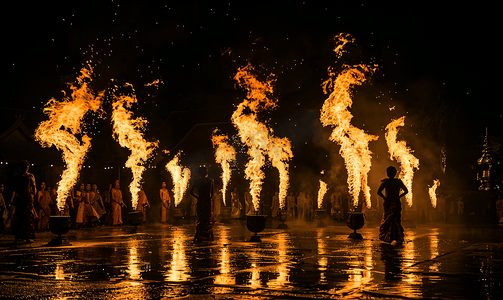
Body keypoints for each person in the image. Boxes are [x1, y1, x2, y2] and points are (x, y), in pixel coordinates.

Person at [377, 166, 408, 246]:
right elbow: (406, 191)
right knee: (396, 220)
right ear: (394, 173)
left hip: (389, 202)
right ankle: (397, 237)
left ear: (387, 173)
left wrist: (385, 198)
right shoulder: (398, 182)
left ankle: (389, 237)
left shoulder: (386, 182)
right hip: (395, 202)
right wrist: (398, 197)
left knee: (389, 220)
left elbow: (378, 192)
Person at [11, 160, 37, 244]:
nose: (26, 169)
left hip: (28, 199)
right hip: (20, 200)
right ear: (21, 167)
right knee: (18, 219)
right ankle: (17, 237)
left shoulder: (30, 176)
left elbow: (34, 189)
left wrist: (33, 196)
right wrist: (13, 199)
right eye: (24, 167)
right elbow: (14, 189)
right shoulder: (17, 177)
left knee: (28, 219)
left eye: (27, 167)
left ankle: (27, 237)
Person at [190, 166, 215, 242]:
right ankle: (208, 237)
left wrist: (198, 197)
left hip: (201, 201)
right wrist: (209, 199)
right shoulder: (211, 181)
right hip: (207, 201)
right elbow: (212, 194)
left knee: (200, 219)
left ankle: (199, 236)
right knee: (207, 219)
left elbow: (191, 191)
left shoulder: (197, 181)